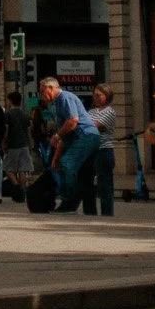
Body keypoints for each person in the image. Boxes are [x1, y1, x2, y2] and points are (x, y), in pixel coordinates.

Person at [40, 75, 100, 212]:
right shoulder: (56, 103)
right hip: (84, 137)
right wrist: (55, 157)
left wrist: (57, 135)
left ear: (51, 88)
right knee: (85, 175)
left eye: (42, 90)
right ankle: (90, 211)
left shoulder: (65, 97)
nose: (41, 94)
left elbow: (73, 121)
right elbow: (65, 136)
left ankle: (69, 202)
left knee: (66, 164)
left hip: (85, 135)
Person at [78, 84, 116, 215]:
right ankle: (90, 212)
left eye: (99, 95)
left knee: (104, 184)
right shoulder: (91, 111)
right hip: (89, 151)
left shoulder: (110, 111)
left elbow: (94, 126)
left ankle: (107, 214)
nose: (96, 98)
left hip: (103, 150)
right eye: (94, 95)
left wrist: (84, 125)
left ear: (107, 96)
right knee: (86, 182)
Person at [3, 90, 34, 203]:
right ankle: (22, 192)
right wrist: (30, 144)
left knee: (8, 169)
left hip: (13, 145)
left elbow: (6, 130)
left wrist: (4, 143)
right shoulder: (25, 115)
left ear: (11, 101)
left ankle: (16, 186)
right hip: (24, 145)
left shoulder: (8, 114)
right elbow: (28, 131)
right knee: (22, 169)